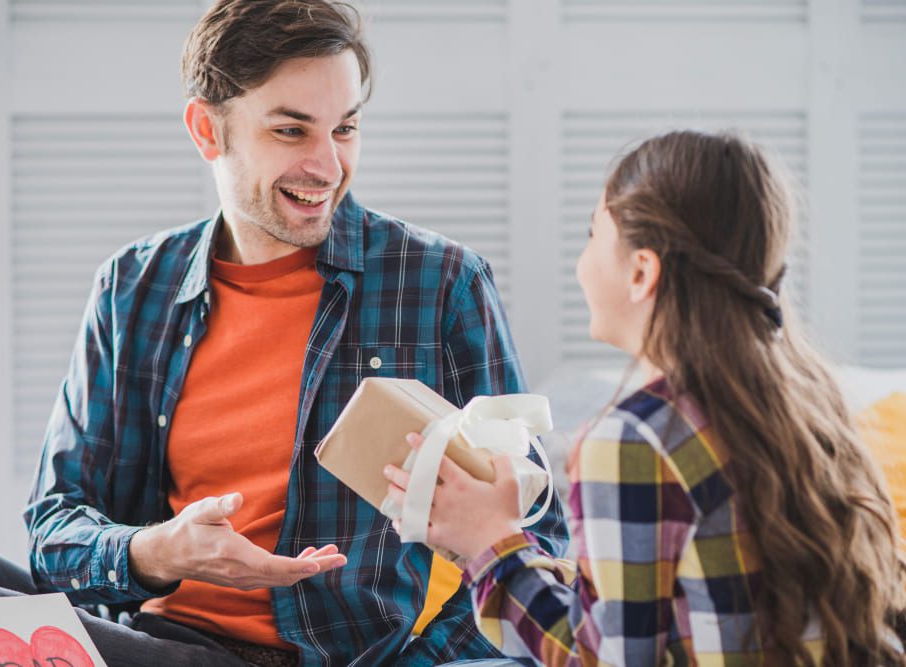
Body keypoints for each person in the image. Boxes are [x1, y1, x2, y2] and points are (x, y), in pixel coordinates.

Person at [0, 1, 568, 665]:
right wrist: (158, 550)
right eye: (291, 131)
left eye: (345, 128)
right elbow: (54, 530)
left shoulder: (438, 283)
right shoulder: (134, 286)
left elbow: (536, 537)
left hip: (296, 656)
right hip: (142, 636)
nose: (329, 166)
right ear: (206, 130)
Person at [385, 130, 906, 666]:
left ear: (641, 271)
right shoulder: (810, 402)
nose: (581, 263)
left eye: (592, 235)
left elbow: (603, 659)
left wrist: (489, 542)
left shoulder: (633, 438)